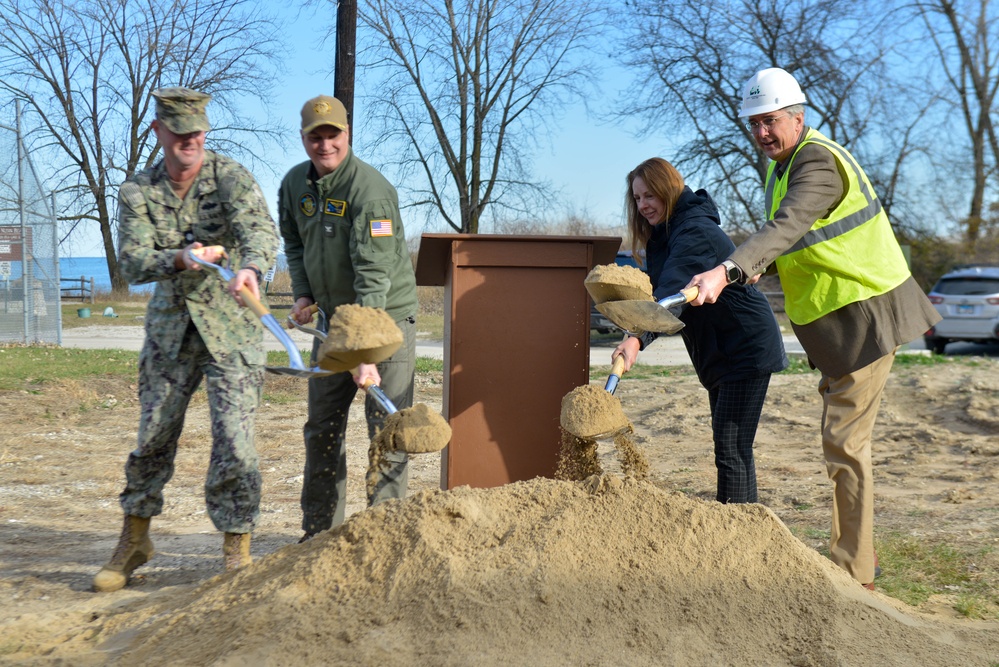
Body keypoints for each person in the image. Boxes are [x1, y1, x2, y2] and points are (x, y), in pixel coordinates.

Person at [686, 68, 941, 590]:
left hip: (866, 318)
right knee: (843, 442)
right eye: (754, 123)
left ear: (798, 117)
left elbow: (788, 226)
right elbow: (799, 245)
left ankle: (855, 573)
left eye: (771, 121)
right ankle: (856, 559)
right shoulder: (781, 169)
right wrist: (760, 268)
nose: (761, 133)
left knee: (844, 442)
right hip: (838, 329)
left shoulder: (818, 161)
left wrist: (728, 268)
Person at [94, 87, 280, 592]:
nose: (189, 144)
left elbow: (261, 232)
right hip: (170, 335)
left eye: (197, 134)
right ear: (159, 132)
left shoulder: (231, 177)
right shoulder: (138, 191)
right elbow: (132, 261)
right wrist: (178, 259)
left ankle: (236, 551)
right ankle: (134, 540)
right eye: (179, 135)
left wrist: (250, 268)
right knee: (152, 438)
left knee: (235, 442)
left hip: (231, 333)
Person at [279, 95, 419, 541]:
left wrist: (365, 352)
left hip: (386, 323)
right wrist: (304, 293)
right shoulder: (293, 186)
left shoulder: (370, 192)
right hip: (334, 323)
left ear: (347, 134)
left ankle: (383, 537)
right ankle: (319, 535)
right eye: (315, 136)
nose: (325, 145)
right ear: (303, 138)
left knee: (388, 431)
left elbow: (373, 274)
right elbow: (295, 244)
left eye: (332, 134)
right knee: (321, 428)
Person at [611, 158, 787, 504]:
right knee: (731, 449)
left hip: (745, 348)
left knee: (732, 448)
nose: (643, 205)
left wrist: (637, 338)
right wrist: (630, 327)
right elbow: (654, 290)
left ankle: (736, 536)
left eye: (650, 195)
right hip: (722, 351)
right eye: (637, 198)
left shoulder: (694, 232)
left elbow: (671, 293)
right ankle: (740, 528)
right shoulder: (667, 232)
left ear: (668, 190)